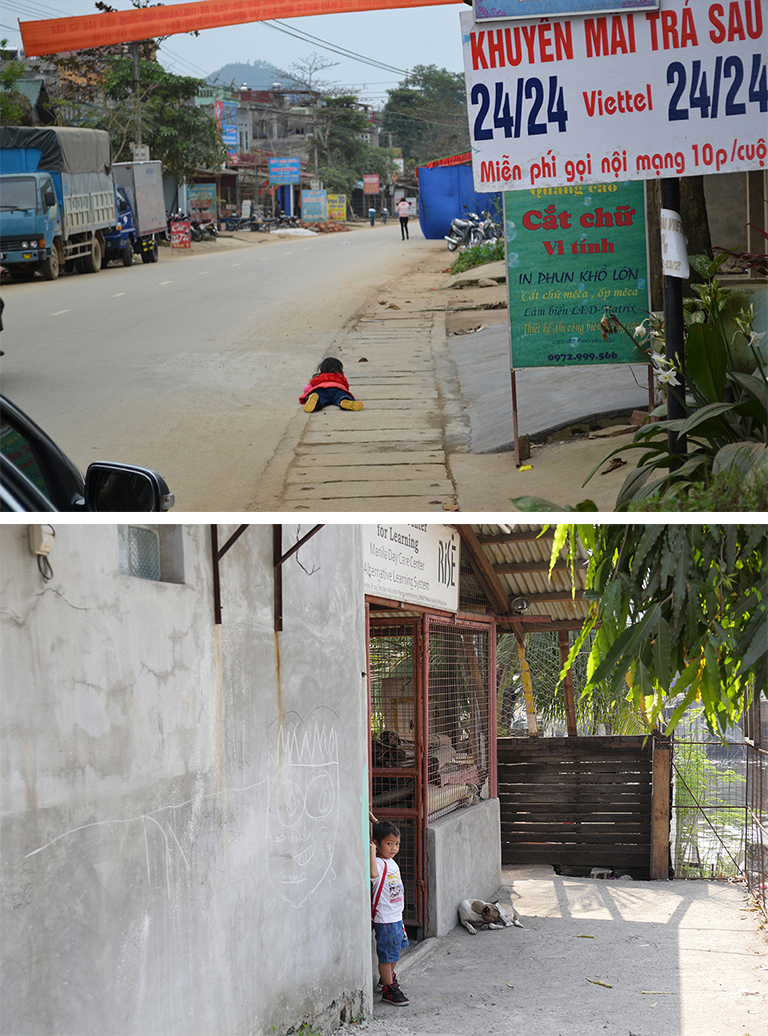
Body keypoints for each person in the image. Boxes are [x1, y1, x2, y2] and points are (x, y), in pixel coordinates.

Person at [370, 820, 409, 1006]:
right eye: (389, 844)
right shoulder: (377, 862)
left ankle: (386, 978)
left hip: (396, 917)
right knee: (387, 955)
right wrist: (371, 851)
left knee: (399, 948)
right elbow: (373, 874)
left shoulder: (390, 861)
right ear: (376, 844)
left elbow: (383, 831)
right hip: (385, 919)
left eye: (397, 844)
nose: (394, 848)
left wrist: (375, 821)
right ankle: (388, 989)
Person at [299, 357, 364, 413]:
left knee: (320, 398)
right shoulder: (339, 376)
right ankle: (344, 400)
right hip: (336, 388)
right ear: (334, 369)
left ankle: (315, 400)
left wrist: (307, 393)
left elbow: (308, 388)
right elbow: (345, 386)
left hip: (320, 388)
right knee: (340, 395)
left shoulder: (318, 377)